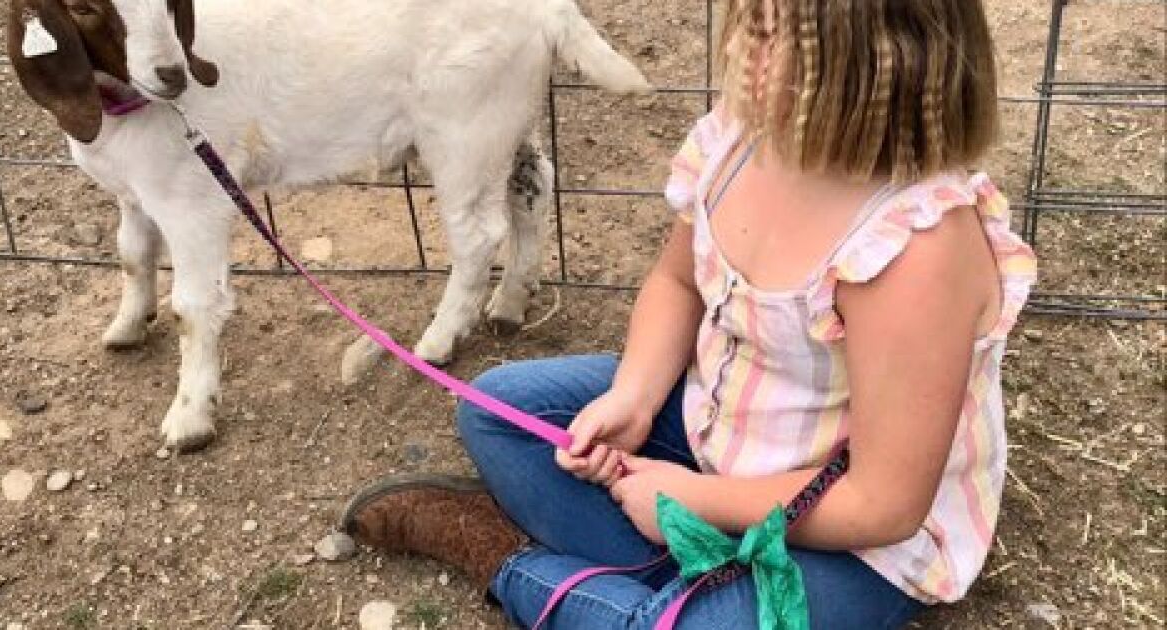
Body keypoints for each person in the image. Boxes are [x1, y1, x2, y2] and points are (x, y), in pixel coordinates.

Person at [339, 0, 1036, 627]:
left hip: (850, 531)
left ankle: (509, 562)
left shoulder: (916, 248)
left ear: (878, 65)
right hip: (718, 429)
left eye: (765, 37)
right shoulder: (744, 138)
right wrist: (635, 396)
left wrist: (695, 501)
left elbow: (885, 504)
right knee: (495, 409)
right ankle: (667, 577)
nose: (736, 53)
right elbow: (677, 282)